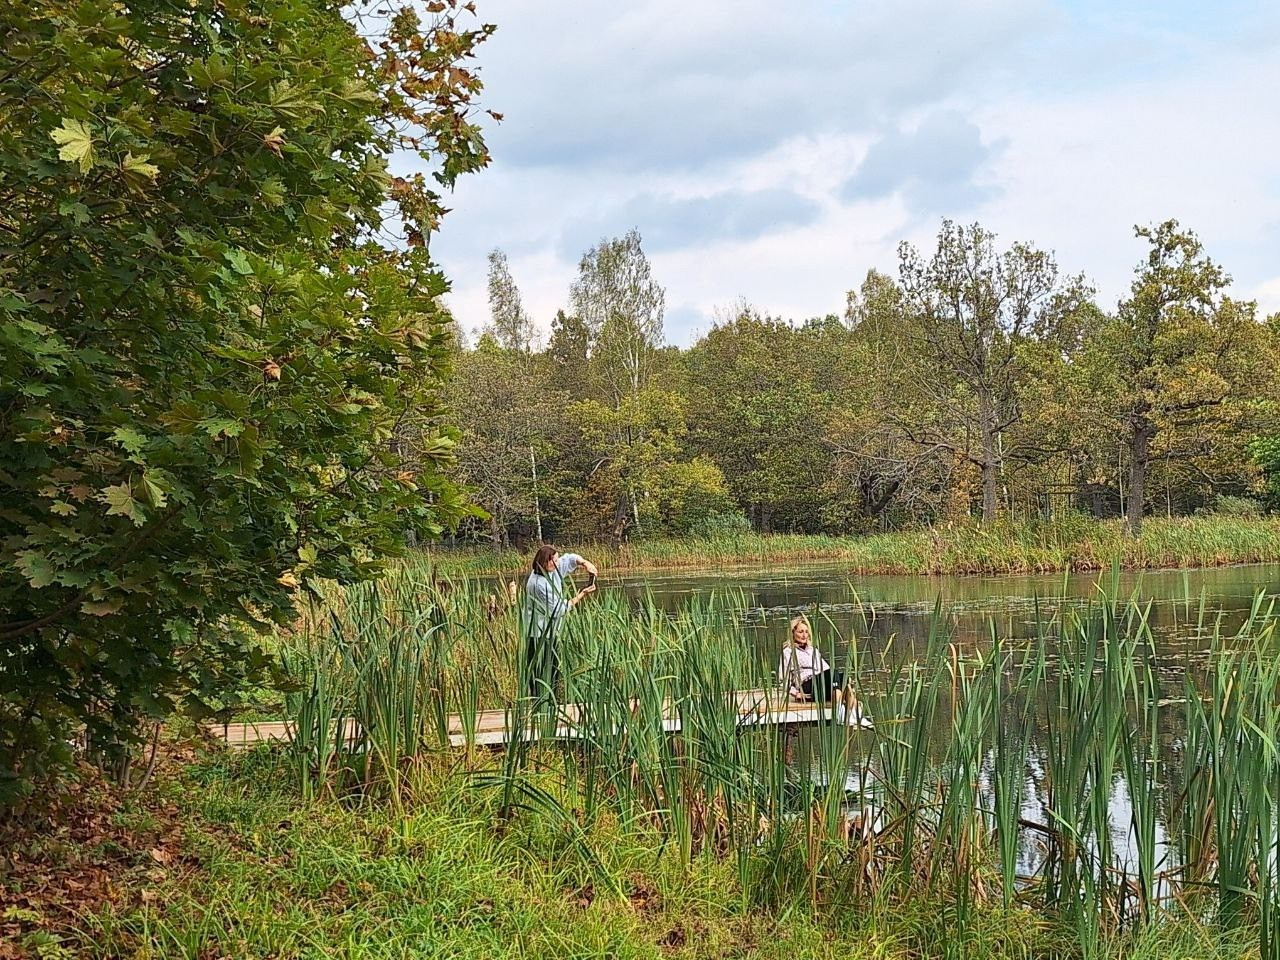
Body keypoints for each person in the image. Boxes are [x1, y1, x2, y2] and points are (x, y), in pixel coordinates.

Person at [522, 544, 598, 702]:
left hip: (551, 632)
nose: (557, 564)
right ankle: (539, 705)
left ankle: (551, 703)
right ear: (543, 563)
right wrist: (581, 595)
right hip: (537, 633)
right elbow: (559, 610)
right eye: (553, 562)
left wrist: (585, 563)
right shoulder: (537, 584)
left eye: (556, 560)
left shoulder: (553, 569)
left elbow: (569, 559)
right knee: (539, 672)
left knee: (553, 669)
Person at [777, 616, 868, 726]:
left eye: (806, 632)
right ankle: (841, 713)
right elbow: (783, 680)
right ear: (793, 633)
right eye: (801, 632)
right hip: (807, 685)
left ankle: (853, 715)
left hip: (821, 684)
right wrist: (796, 694)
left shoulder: (812, 650)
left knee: (844, 678)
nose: (804, 635)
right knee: (833, 673)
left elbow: (826, 670)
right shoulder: (788, 652)